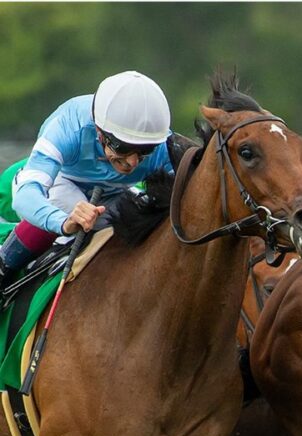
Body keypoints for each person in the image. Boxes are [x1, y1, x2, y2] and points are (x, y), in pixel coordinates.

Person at [0, 70, 174, 288]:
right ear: (100, 131)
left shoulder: (164, 145)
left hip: (114, 195)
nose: (132, 162)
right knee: (70, 207)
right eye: (124, 147)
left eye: (145, 150)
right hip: (60, 182)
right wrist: (63, 222)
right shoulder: (68, 126)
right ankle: (4, 263)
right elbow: (25, 196)